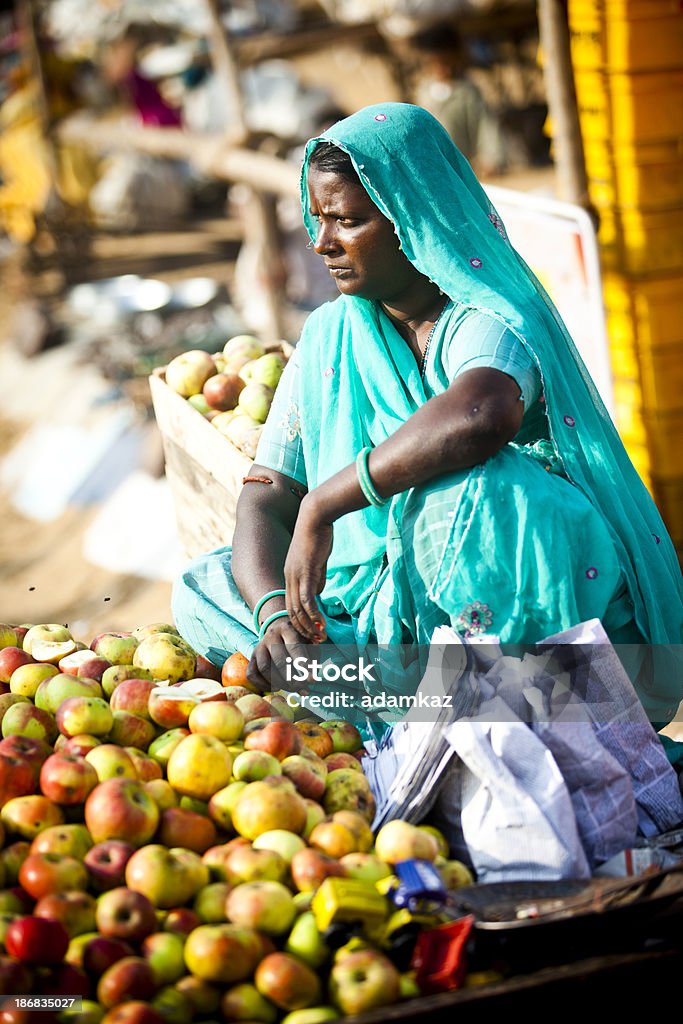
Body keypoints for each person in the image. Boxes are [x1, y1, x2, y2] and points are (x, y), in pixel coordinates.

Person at [172, 103, 683, 749]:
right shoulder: (334, 333)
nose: (321, 241)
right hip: (381, 617)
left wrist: (325, 505)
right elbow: (268, 490)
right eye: (319, 218)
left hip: (524, 608)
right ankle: (405, 696)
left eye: (348, 221)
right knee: (204, 585)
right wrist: (276, 611)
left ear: (411, 221)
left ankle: (397, 699)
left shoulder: (490, 315)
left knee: (483, 492)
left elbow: (481, 413)